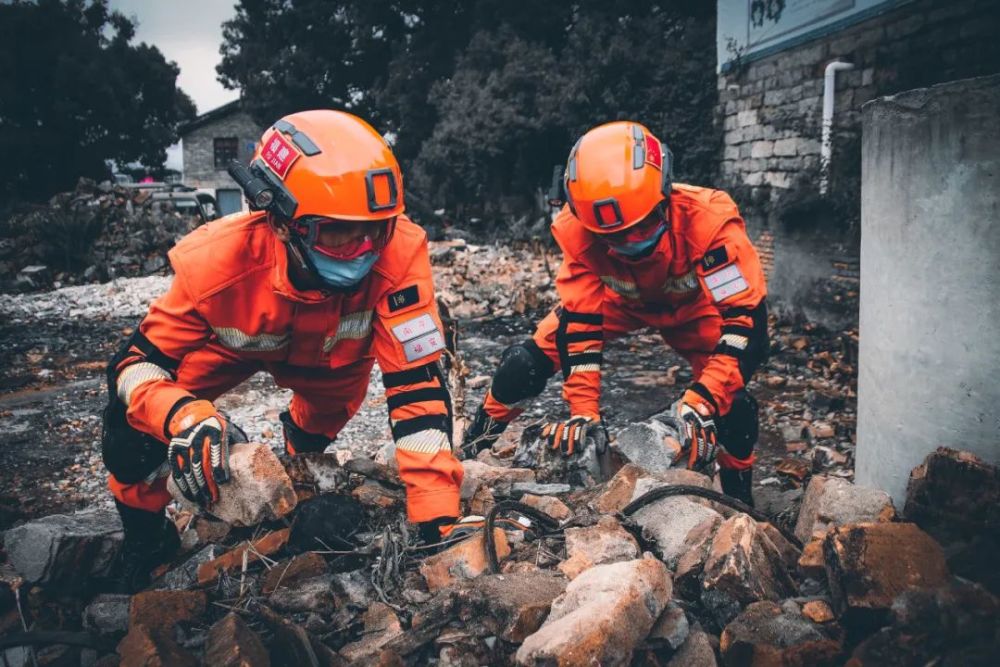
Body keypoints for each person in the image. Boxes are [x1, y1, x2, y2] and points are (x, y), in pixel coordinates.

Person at [101, 110, 465, 591]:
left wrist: (437, 519)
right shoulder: (212, 263)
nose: (363, 249)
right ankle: (146, 540)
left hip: (336, 360)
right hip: (228, 350)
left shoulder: (401, 253)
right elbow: (134, 366)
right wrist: (183, 417)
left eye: (376, 230)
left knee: (315, 432)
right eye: (338, 233)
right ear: (279, 221)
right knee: (128, 430)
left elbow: (417, 388)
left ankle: (297, 464)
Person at [462, 121, 769, 505]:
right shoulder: (578, 231)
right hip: (619, 301)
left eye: (640, 229)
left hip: (696, 310)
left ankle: (741, 501)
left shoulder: (709, 223)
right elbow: (580, 325)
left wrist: (700, 401)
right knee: (522, 363)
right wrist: (584, 413)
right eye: (615, 236)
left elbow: (746, 327)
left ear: (664, 198)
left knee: (734, 403)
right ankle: (471, 450)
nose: (630, 243)